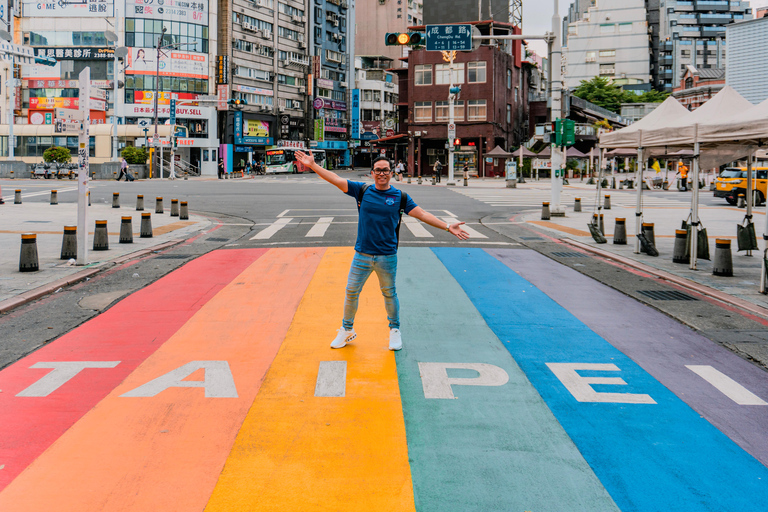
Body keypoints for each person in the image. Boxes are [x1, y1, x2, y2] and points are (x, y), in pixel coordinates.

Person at [294, 151, 470, 351]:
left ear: (391, 172)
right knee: (351, 292)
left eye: (385, 170)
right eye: (378, 170)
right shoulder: (361, 190)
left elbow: (422, 214)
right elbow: (335, 179)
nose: (382, 173)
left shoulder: (400, 197)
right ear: (372, 173)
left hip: (387, 256)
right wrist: (313, 166)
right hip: (361, 254)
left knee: (389, 293)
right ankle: (346, 329)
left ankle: (394, 330)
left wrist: (447, 227)